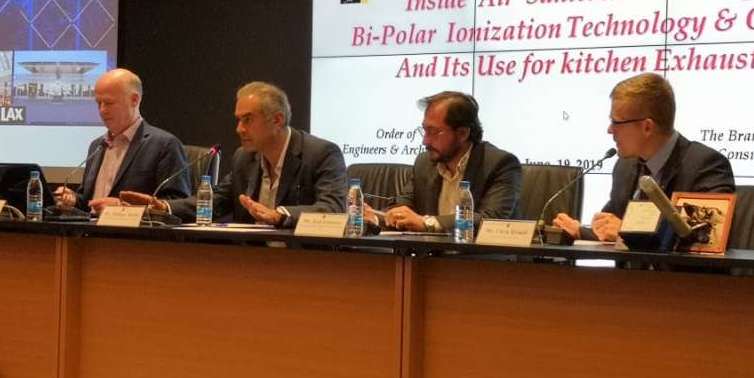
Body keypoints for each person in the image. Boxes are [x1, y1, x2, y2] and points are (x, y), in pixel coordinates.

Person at [122, 81, 346, 227]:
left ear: (277, 120)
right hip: (249, 263)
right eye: (239, 120)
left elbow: (333, 209)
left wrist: (280, 215)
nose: (239, 129)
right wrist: (164, 207)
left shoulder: (321, 154)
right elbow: (216, 202)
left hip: (306, 264)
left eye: (248, 120)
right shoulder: (244, 158)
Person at [553, 72, 734, 241]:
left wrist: (628, 231)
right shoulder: (625, 167)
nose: (610, 130)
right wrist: (579, 231)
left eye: (616, 122)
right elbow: (610, 229)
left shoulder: (705, 166)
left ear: (647, 127)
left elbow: (706, 237)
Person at [377, 91, 521, 233]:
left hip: (478, 249)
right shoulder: (424, 162)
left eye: (433, 132)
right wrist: (376, 218)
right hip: (430, 249)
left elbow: (490, 220)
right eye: (425, 130)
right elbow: (404, 205)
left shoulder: (500, 164)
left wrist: (428, 223)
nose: (425, 141)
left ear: (463, 133)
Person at [54, 68, 191, 213]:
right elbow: (90, 202)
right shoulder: (97, 146)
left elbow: (175, 203)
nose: (102, 110)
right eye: (99, 103)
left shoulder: (164, 145)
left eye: (109, 102)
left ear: (134, 100)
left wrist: (123, 207)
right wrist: (74, 199)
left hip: (132, 228)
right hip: (91, 226)